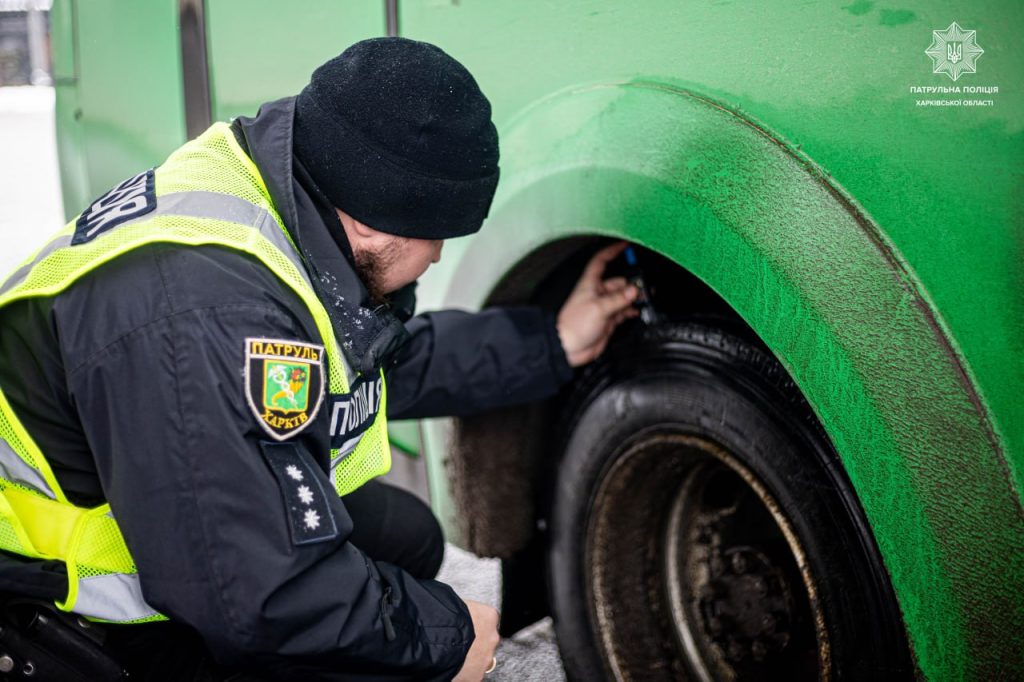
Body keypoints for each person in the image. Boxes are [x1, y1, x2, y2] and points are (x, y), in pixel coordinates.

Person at [0, 38, 638, 681]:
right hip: (49, 607)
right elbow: (257, 597)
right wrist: (444, 640)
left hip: (156, 525)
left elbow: (379, 360)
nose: (439, 256)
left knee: (405, 535)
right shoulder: (209, 317)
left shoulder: (282, 198)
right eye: (437, 234)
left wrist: (550, 340)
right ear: (373, 224)